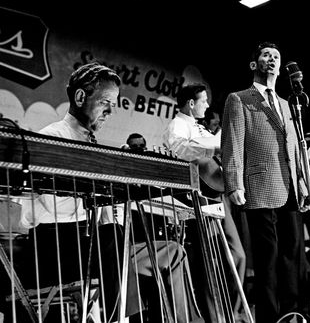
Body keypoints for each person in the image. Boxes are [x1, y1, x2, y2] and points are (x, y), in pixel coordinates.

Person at [18, 62, 198, 323]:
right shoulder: (51, 138)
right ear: (80, 97)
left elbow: (102, 211)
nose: (111, 111)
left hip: (94, 246)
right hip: (57, 248)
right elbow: (48, 205)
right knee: (114, 237)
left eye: (114, 103)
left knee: (172, 251)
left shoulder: (92, 144)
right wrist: (100, 195)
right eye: (105, 102)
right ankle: (123, 317)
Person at [221, 41, 310, 323]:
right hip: (259, 187)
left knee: (295, 255)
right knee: (268, 259)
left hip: (290, 187)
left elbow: (294, 149)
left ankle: (299, 313)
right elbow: (233, 142)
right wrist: (234, 184)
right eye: (266, 55)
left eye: (276, 57)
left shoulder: (287, 104)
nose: (272, 59)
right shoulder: (239, 98)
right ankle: (271, 317)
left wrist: (304, 184)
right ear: (254, 64)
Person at [162, 84, 246, 322]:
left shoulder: (197, 127)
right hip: (198, 197)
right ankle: (218, 316)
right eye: (203, 101)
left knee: (238, 255)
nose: (207, 105)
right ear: (191, 103)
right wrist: (216, 145)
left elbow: (218, 150)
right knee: (211, 262)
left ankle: (234, 311)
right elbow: (181, 150)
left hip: (216, 194)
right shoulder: (177, 126)